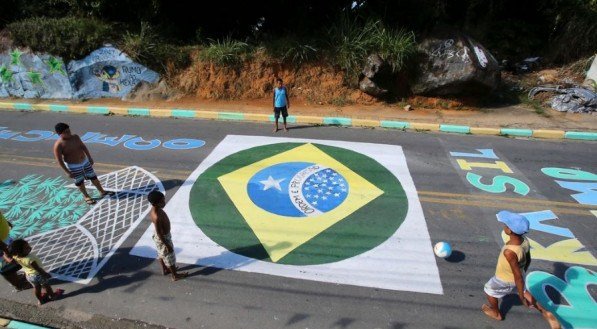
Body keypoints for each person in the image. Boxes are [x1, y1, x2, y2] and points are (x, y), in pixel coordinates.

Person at [482, 211, 560, 328]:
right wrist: (524, 272)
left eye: (506, 225)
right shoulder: (525, 241)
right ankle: (545, 312)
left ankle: (496, 313)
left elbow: (517, 276)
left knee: (489, 291)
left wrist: (521, 297)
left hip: (504, 279)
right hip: (519, 275)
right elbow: (528, 259)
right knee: (524, 291)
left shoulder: (510, 252)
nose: (504, 226)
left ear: (510, 231)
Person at [53, 122, 114, 205]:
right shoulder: (58, 145)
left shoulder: (75, 137)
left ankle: (102, 191)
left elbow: (83, 146)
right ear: (60, 134)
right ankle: (86, 196)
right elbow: (59, 160)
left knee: (93, 177)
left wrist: (89, 157)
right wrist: (67, 172)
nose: (69, 133)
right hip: (73, 166)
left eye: (69, 130)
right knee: (80, 182)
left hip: (84, 162)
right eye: (66, 132)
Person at [147, 191, 188, 281]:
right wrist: (167, 245)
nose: (164, 202)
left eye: (164, 200)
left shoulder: (155, 209)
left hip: (160, 237)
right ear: (155, 203)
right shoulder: (156, 216)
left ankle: (165, 270)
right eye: (162, 201)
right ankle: (175, 275)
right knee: (169, 256)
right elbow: (159, 233)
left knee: (161, 254)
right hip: (163, 238)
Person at [9, 239, 63, 305]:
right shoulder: (30, 258)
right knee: (46, 286)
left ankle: (40, 300)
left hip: (29, 276)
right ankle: (52, 296)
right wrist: (45, 274)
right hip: (38, 275)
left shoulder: (16, 257)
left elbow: (9, 258)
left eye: (28, 245)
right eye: (26, 248)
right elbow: (37, 269)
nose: (30, 247)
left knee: (37, 288)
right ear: (20, 252)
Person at [0, 210, 30, 290]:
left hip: (4, 240)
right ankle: (18, 285)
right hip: (1, 244)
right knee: (6, 267)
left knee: (11, 264)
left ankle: (16, 278)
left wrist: (5, 222)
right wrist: (5, 250)